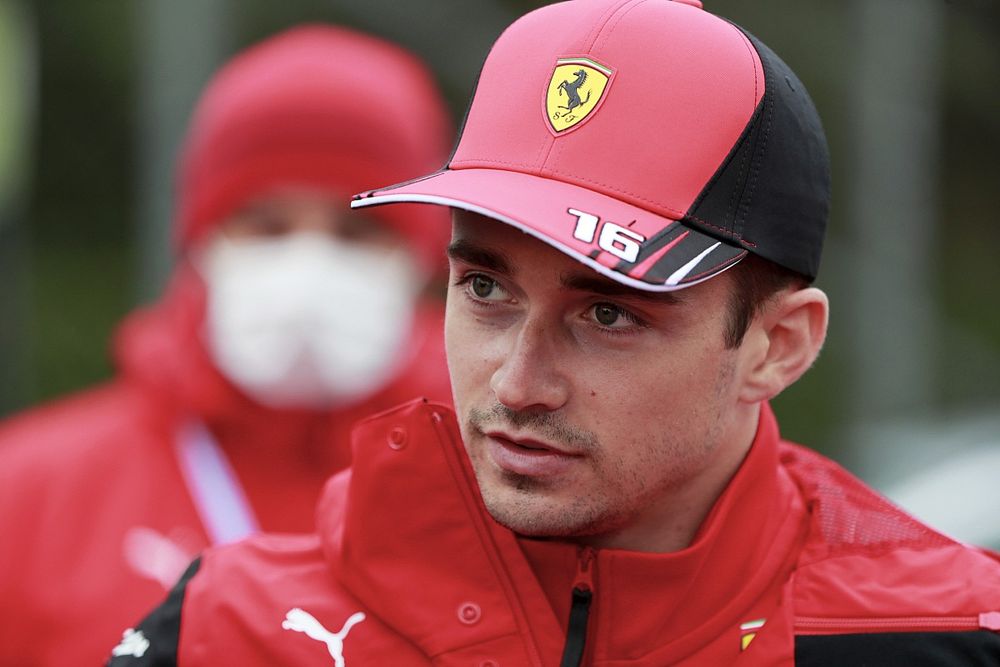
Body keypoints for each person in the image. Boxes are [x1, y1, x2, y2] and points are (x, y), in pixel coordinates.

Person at [109, 2, 1000, 665]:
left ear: (779, 345)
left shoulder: (944, 635)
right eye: (486, 287)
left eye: (609, 312)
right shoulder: (236, 627)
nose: (516, 383)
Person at [0, 24, 453, 666]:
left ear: (422, 255)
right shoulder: (24, 497)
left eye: (358, 229)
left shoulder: (505, 489)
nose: (309, 263)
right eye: (267, 225)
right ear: (202, 240)